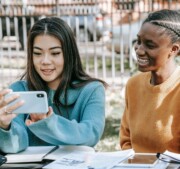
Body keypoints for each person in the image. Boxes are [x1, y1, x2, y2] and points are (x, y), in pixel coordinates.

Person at [0, 17, 107, 153]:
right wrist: (4, 127)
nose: (45, 61)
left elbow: (90, 135)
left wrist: (48, 123)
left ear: (69, 54)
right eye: (37, 53)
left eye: (55, 53)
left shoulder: (92, 90)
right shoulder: (19, 90)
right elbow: (15, 144)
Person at [120, 9, 180, 153]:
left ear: (173, 49)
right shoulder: (133, 85)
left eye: (150, 45)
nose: (139, 50)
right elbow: (126, 141)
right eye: (138, 41)